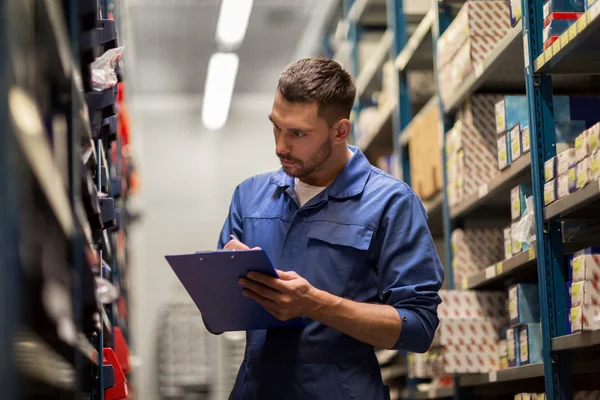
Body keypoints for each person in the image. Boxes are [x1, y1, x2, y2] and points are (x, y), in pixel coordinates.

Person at [218, 57, 444, 400]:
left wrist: (315, 305)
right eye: (276, 126)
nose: (280, 145)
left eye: (297, 133)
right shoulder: (249, 198)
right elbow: (218, 316)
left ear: (340, 131)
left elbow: (418, 329)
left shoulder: (390, 203)